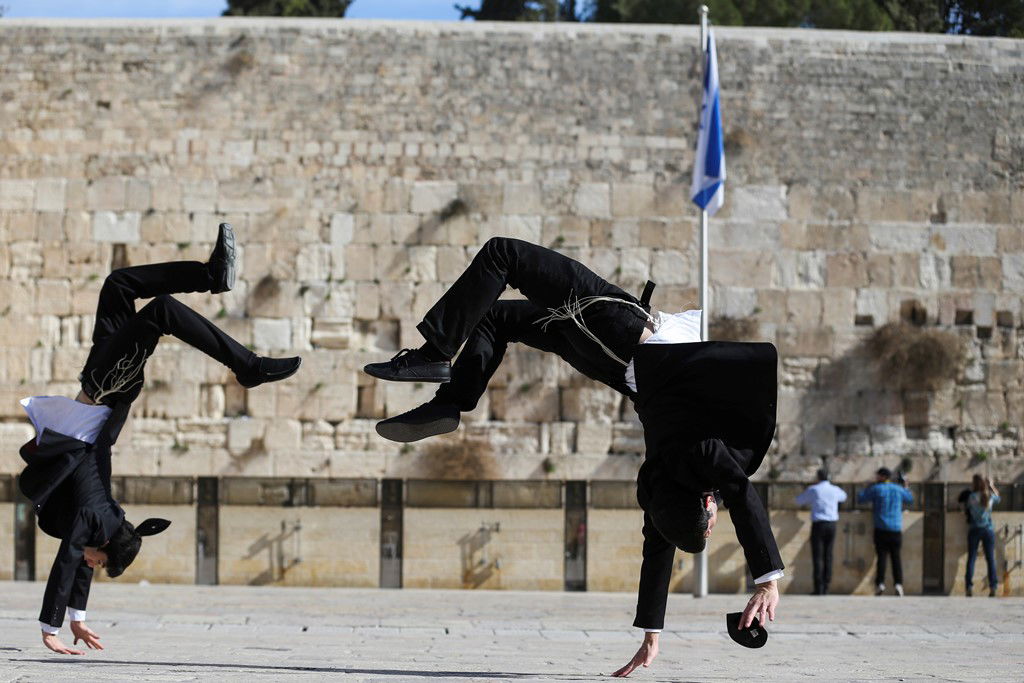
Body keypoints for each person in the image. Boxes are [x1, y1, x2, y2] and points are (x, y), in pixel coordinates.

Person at [363, 238, 783, 676]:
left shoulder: (698, 456)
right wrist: (651, 632)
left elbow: (741, 493)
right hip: (610, 363)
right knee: (494, 317)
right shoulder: (659, 480)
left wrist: (767, 579)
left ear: (700, 504)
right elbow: (658, 545)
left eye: (710, 524)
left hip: (617, 334)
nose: (716, 522)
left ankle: (434, 355)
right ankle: (449, 403)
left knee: (503, 254)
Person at [18, 224, 302, 655]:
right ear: (107, 546)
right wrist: (50, 628)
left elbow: (76, 560)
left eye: (95, 565)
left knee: (119, 285)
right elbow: (69, 560)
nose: (89, 565)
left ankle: (209, 278)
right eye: (99, 562)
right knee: (160, 309)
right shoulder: (96, 519)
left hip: (103, 391)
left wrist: (78, 618)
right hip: (105, 390)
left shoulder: (104, 517)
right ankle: (247, 364)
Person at [856, 467, 913, 596]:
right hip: (895, 528)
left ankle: (880, 584)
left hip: (881, 528)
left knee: (881, 558)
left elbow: (861, 498)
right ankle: (898, 584)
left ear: (881, 476)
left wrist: (866, 486)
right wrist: (906, 486)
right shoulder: (898, 489)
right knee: (896, 558)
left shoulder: (876, 489)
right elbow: (909, 499)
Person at [796, 468, 847, 595]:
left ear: (817, 477)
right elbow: (844, 497)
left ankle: (818, 588)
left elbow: (799, 500)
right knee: (828, 555)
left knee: (817, 556)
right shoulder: (834, 489)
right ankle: (826, 586)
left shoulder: (814, 489)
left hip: (818, 525)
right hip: (831, 525)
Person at [964, 474, 1001, 597]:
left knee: (972, 558)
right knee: (990, 559)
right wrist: (991, 485)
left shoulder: (972, 497)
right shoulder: (989, 496)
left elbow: (967, 507)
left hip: (974, 529)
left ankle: (969, 586)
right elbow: (998, 498)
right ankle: (993, 586)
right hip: (988, 530)